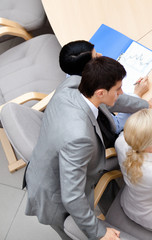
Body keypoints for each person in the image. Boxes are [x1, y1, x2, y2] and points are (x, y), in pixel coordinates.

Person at [25, 57, 128, 240]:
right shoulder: (80, 137)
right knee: (70, 232)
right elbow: (72, 197)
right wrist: (100, 232)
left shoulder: (72, 85)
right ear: (101, 93)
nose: (121, 92)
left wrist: (147, 104)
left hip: (49, 163)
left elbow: (116, 100)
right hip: (53, 196)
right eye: (118, 89)